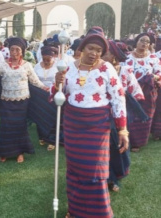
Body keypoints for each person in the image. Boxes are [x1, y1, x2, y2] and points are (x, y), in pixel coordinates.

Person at [53, 27, 128, 218]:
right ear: (82, 48)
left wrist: (122, 130)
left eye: (99, 51)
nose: (94, 53)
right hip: (73, 124)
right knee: (75, 168)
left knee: (95, 170)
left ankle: (99, 213)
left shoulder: (106, 68)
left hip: (97, 126)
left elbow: (118, 97)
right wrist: (56, 83)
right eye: (91, 48)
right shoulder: (67, 67)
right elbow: (58, 97)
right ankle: (75, 210)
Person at [0, 37, 49, 163]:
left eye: (17, 50)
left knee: (19, 127)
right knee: (6, 127)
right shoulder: (3, 65)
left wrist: (44, 87)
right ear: (8, 50)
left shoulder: (27, 65)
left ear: (22, 51)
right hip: (6, 101)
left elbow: (35, 81)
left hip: (22, 101)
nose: (14, 52)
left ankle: (19, 152)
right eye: (12, 49)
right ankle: (4, 152)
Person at [103, 40, 145, 192]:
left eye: (105, 53)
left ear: (114, 56)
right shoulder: (98, 69)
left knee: (117, 149)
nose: (102, 55)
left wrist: (128, 104)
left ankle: (115, 177)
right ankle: (108, 178)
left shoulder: (125, 71)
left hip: (119, 117)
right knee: (104, 149)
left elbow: (136, 91)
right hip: (102, 117)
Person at [124, 33, 161, 152]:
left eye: (147, 42)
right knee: (131, 115)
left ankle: (138, 142)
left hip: (148, 93)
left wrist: (153, 77)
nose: (144, 44)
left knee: (146, 116)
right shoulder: (127, 57)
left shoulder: (153, 59)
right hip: (131, 92)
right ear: (136, 41)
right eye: (142, 40)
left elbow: (159, 74)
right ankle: (129, 141)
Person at [34, 45, 59, 151]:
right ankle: (42, 137)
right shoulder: (37, 66)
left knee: (52, 118)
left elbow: (60, 81)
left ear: (53, 58)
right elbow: (33, 79)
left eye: (48, 60)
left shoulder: (58, 66)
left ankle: (52, 140)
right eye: (44, 59)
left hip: (53, 95)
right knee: (40, 116)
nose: (46, 62)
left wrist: (52, 88)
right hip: (39, 95)